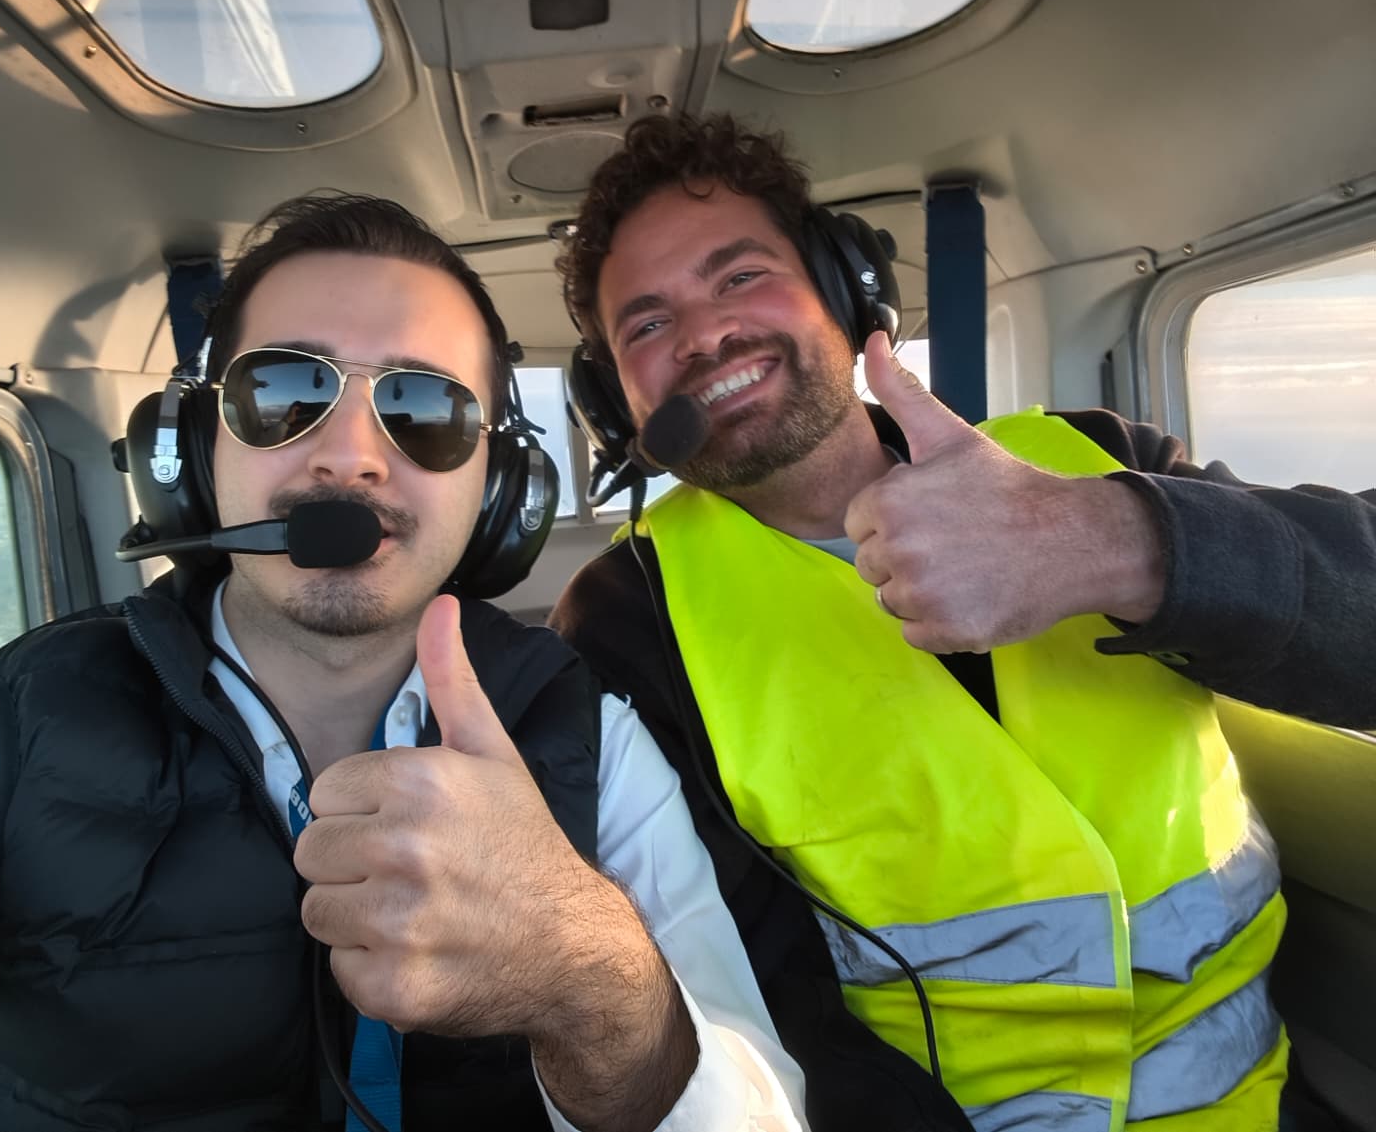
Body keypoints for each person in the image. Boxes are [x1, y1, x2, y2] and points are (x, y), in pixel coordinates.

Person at [0, 194, 811, 1132]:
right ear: (193, 452)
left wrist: (589, 979)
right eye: (281, 392)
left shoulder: (589, 737)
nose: (349, 452)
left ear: (502, 492)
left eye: (425, 411)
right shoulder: (3, 746)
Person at [549, 113, 1376, 1131]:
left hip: (1264, 1101)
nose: (704, 335)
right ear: (614, 400)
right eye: (644, 324)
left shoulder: (1091, 454)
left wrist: (1121, 539)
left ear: (841, 287)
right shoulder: (627, 618)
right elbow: (755, 999)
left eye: (738, 276)